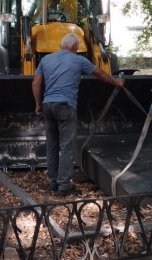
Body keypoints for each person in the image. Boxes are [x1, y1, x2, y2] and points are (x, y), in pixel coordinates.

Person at [32, 33, 125, 196]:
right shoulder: (79, 60)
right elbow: (100, 74)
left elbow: (36, 82)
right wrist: (116, 82)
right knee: (67, 147)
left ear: (62, 45)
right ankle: (64, 186)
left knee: (52, 146)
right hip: (65, 106)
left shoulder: (45, 60)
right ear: (74, 46)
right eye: (77, 48)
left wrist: (38, 104)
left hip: (48, 105)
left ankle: (53, 182)